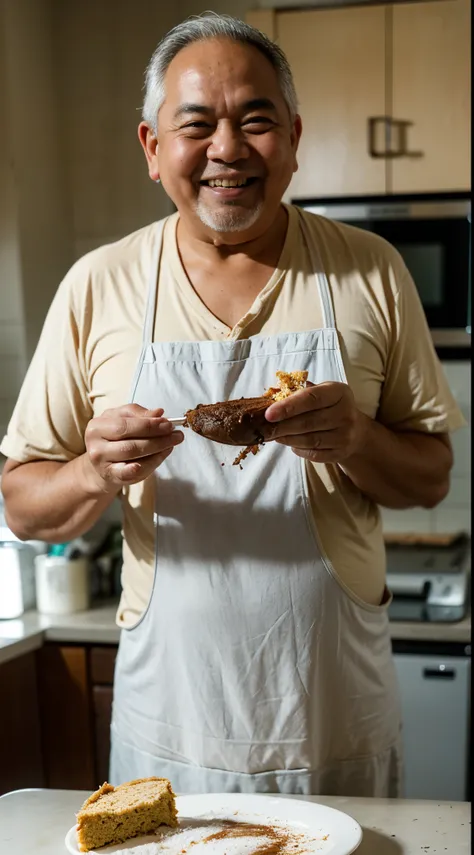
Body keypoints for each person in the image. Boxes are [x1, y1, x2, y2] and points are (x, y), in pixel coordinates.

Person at [0, 13, 465, 797]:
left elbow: (428, 478)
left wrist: (354, 435)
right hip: (172, 715)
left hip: (335, 711)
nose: (227, 149)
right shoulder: (98, 286)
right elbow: (21, 503)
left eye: (256, 120)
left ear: (293, 137)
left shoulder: (371, 272)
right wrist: (94, 470)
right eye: (197, 125)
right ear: (152, 148)